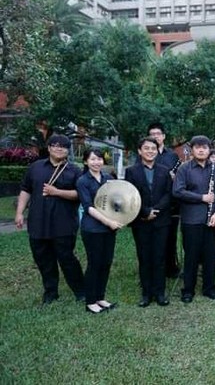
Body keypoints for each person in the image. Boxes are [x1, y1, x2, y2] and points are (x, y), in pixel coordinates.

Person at [15, 134, 85, 305]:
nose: (59, 148)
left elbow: (80, 194)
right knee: (43, 260)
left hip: (64, 224)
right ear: (49, 148)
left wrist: (57, 192)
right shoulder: (36, 167)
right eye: (55, 145)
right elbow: (26, 190)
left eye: (63, 146)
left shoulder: (74, 170)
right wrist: (19, 212)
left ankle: (81, 291)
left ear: (68, 150)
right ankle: (51, 293)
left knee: (67, 258)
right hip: (38, 223)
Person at [173, 135, 215, 303]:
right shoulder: (184, 169)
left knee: (211, 256)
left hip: (212, 219)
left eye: (204, 147)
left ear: (209, 149)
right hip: (191, 220)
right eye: (198, 147)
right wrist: (201, 198)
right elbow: (177, 191)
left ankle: (209, 288)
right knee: (191, 256)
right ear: (192, 149)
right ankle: (188, 290)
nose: (202, 149)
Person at [125, 137, 173, 307]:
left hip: (161, 221)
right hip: (141, 221)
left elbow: (169, 194)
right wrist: (145, 212)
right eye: (147, 148)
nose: (150, 151)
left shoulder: (164, 170)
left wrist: (156, 211)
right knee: (144, 257)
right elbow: (128, 195)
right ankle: (146, 294)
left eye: (153, 148)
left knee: (160, 257)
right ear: (140, 151)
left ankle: (160, 293)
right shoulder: (131, 171)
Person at [76, 148, 123, 314]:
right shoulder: (82, 181)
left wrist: (120, 216)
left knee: (106, 263)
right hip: (93, 228)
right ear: (86, 162)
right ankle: (90, 302)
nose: (97, 162)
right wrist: (108, 222)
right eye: (93, 159)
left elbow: (115, 201)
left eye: (99, 159)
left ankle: (100, 297)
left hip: (109, 229)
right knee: (95, 264)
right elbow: (88, 207)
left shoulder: (108, 178)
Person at [147, 123, 181, 279]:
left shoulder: (172, 156)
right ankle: (152, 270)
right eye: (152, 134)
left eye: (158, 134)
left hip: (170, 203)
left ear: (163, 136)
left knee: (170, 237)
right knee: (151, 240)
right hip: (151, 202)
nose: (155, 136)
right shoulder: (145, 154)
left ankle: (171, 268)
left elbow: (178, 179)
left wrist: (175, 178)